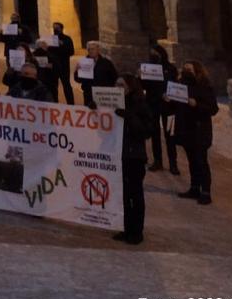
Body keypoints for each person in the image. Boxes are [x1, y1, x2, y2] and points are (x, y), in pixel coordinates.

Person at [114, 73, 152, 244]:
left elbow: (146, 131)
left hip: (134, 156)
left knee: (135, 195)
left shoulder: (140, 105)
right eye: (116, 85)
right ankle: (126, 228)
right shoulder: (113, 104)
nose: (118, 88)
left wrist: (129, 116)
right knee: (123, 195)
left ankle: (137, 231)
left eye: (121, 85)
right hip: (118, 155)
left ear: (130, 87)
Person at [174, 60, 218, 205]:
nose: (186, 71)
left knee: (201, 161)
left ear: (197, 71)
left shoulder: (204, 86)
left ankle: (205, 191)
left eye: (189, 69)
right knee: (192, 161)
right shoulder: (181, 85)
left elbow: (213, 108)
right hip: (186, 128)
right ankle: (194, 188)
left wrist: (196, 105)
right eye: (184, 68)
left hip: (200, 130)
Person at [144, 43, 179, 174]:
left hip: (168, 105)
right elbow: (145, 85)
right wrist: (140, 76)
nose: (153, 56)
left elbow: (175, 84)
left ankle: (173, 163)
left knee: (170, 134)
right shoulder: (148, 68)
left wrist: (170, 95)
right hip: (153, 103)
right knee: (155, 133)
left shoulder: (170, 68)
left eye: (156, 53)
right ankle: (157, 160)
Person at [75, 41, 118, 107]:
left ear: (98, 50)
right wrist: (77, 71)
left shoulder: (106, 63)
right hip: (88, 94)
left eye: (93, 49)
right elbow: (78, 80)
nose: (91, 51)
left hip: (103, 95)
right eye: (89, 49)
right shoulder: (83, 62)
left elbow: (114, 77)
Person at [45, 22, 76, 105]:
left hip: (64, 66)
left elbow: (71, 52)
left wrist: (62, 45)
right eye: (54, 27)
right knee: (53, 86)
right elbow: (47, 52)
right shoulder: (50, 39)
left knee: (66, 85)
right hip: (53, 66)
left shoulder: (67, 39)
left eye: (57, 28)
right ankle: (55, 103)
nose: (55, 29)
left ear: (61, 29)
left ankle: (71, 104)